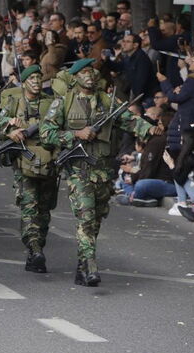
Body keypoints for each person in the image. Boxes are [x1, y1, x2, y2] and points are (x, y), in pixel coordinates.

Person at [41, 58, 160, 287]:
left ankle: (82, 265)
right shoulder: (64, 102)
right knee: (85, 218)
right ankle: (91, 264)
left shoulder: (107, 101)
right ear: (75, 77)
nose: (90, 75)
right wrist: (76, 135)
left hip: (103, 172)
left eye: (92, 71)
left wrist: (149, 128)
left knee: (95, 220)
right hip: (79, 171)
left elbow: (129, 120)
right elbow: (47, 134)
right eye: (84, 71)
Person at [0, 65, 58, 273]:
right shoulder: (14, 102)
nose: (37, 82)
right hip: (24, 162)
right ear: (25, 82)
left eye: (40, 78)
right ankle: (35, 248)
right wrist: (10, 129)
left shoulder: (51, 104)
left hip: (48, 162)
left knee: (44, 211)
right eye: (32, 78)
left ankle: (36, 250)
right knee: (29, 208)